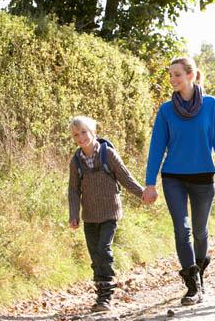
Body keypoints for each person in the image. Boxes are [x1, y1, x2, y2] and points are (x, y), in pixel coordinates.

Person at [142, 56, 215, 306]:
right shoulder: (165, 110)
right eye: (170, 75)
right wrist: (149, 183)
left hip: (203, 177)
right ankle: (193, 286)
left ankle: (199, 275)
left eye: (177, 74)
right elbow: (156, 148)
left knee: (200, 231)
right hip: (173, 177)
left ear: (191, 76)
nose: (172, 79)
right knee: (181, 230)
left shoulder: (212, 106)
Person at [67, 115, 145, 312]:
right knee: (95, 255)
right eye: (76, 134)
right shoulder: (76, 162)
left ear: (93, 131)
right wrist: (73, 214)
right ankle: (100, 293)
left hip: (110, 212)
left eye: (84, 132)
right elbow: (73, 190)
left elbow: (125, 177)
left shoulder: (107, 154)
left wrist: (143, 194)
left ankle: (107, 295)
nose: (81, 137)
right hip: (89, 216)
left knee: (104, 249)